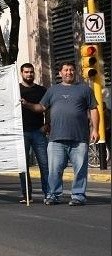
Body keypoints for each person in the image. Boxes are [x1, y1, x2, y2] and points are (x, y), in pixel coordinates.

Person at [36, 61, 99, 206]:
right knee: (54, 170)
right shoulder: (52, 90)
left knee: (80, 170)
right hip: (56, 138)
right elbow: (41, 107)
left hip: (79, 138)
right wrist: (25, 104)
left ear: (74, 72)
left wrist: (95, 129)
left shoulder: (85, 90)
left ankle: (78, 196)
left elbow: (94, 109)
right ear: (60, 73)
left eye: (71, 70)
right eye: (65, 70)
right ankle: (53, 195)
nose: (68, 72)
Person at [18, 62, 49, 203]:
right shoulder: (16, 89)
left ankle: (49, 193)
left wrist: (47, 124)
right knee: (23, 166)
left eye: (31, 72)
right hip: (21, 132)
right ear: (21, 73)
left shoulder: (42, 90)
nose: (29, 74)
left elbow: (48, 108)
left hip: (38, 131)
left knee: (45, 164)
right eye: (26, 72)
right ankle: (26, 195)